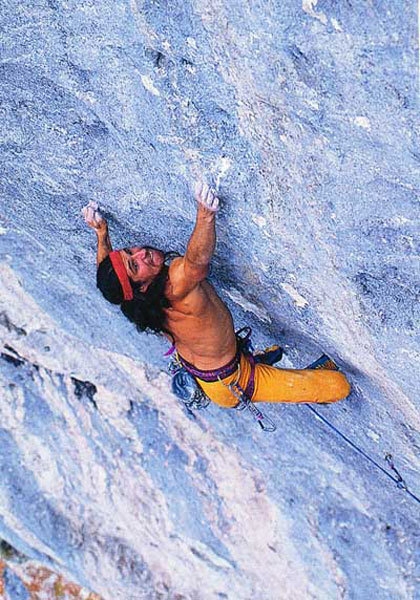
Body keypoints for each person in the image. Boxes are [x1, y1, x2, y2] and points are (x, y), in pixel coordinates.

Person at [82, 183, 350, 408]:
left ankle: (259, 361)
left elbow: (109, 279)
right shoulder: (174, 284)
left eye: (130, 251)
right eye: (135, 265)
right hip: (232, 382)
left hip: (206, 366)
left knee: (268, 360)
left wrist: (102, 234)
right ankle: (262, 370)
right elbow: (197, 264)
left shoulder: (134, 300)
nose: (141, 254)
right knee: (338, 385)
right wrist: (205, 215)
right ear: (140, 286)